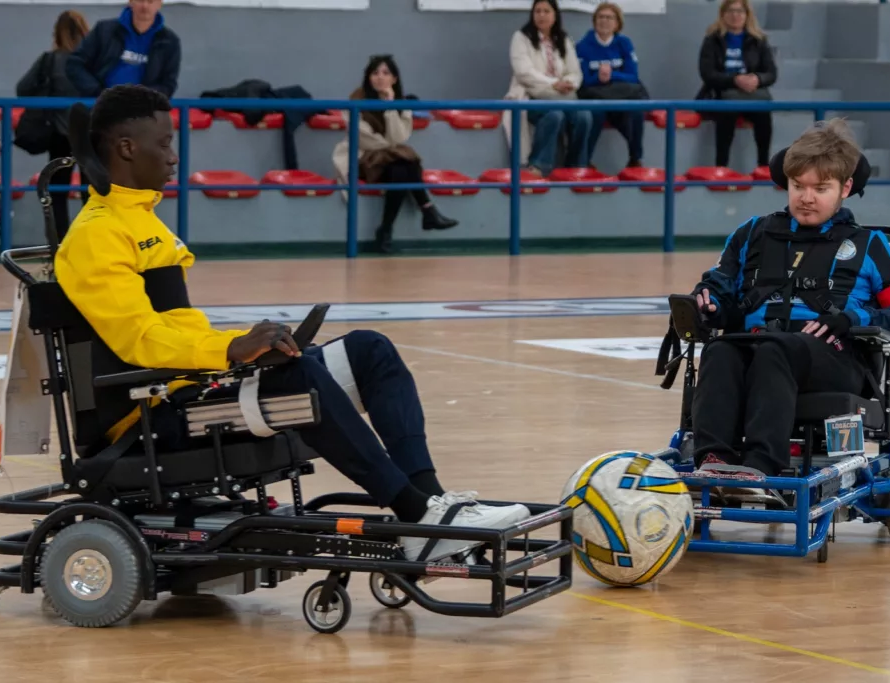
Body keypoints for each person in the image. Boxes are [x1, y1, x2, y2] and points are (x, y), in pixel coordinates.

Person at [54, 85, 530, 562]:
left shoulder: (142, 220)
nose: (174, 157)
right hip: (155, 418)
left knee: (370, 350)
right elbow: (140, 339)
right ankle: (415, 515)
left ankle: (430, 510)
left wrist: (241, 348)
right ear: (126, 148)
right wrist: (232, 349)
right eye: (164, 144)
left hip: (190, 388)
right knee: (296, 378)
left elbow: (176, 328)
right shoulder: (97, 233)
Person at [687, 118, 890, 478]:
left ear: (845, 188)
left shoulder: (871, 246)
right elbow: (718, 284)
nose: (806, 198)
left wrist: (853, 319)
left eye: (820, 188)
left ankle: (761, 467)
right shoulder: (751, 233)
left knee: (776, 350)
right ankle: (714, 462)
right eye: (798, 186)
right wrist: (709, 302)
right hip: (757, 344)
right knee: (720, 351)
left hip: (833, 357)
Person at [332, 55, 457, 255]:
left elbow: (400, 137)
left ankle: (386, 229)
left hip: (389, 160)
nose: (379, 78)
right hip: (362, 157)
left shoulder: (401, 103)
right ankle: (427, 209)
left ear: (394, 79)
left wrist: (390, 106)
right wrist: (391, 144)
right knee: (404, 160)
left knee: (400, 169)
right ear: (368, 77)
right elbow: (365, 140)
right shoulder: (355, 101)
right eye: (375, 73)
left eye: (385, 73)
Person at [16, 10, 90, 238]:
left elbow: (23, 89)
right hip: (90, 134)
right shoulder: (93, 61)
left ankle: (59, 245)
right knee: (93, 194)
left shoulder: (50, 60)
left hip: (60, 134)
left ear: (56, 33)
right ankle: (93, 242)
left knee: (57, 193)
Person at [504, 0, 592, 177]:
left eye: (546, 11)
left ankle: (575, 166)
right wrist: (552, 83)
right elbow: (524, 72)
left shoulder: (563, 39)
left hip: (562, 96)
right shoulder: (521, 38)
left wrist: (568, 83)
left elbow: (575, 72)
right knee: (554, 115)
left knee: (585, 116)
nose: (541, 15)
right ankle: (538, 165)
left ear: (555, 15)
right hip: (532, 97)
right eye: (538, 11)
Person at [696, 0, 776, 172]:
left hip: (751, 95)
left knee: (763, 114)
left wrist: (757, 79)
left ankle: (763, 165)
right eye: (731, 11)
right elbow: (707, 73)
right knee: (728, 111)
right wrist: (734, 80)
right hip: (721, 93)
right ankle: (721, 166)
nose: (735, 15)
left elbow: (771, 73)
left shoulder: (758, 41)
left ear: (747, 15)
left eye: (740, 11)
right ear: (723, 14)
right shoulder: (712, 40)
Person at [575, 2, 647, 169]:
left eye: (609, 18)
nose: (604, 21)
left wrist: (612, 75)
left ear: (617, 23)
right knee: (596, 113)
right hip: (595, 95)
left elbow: (633, 76)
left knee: (636, 111)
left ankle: (635, 159)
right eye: (601, 17)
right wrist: (598, 78)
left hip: (619, 96)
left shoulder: (624, 43)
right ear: (594, 21)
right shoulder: (582, 46)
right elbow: (582, 80)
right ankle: (584, 161)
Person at [66, 0, 181, 99]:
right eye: (140, 0)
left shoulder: (170, 41)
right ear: (130, 2)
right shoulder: (104, 30)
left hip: (143, 114)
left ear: (159, 3)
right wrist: (97, 92)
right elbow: (74, 64)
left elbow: (168, 84)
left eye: (150, 1)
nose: (145, 6)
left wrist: (142, 99)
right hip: (100, 109)